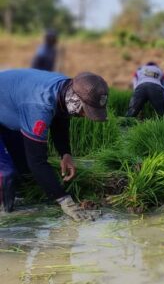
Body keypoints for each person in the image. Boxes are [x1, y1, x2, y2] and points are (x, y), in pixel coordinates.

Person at [0, 69, 109, 221]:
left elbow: (60, 120)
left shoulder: (65, 89)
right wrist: (65, 201)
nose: (84, 116)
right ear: (74, 99)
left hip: (7, 107)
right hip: (13, 106)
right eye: (86, 111)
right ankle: (7, 223)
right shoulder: (39, 107)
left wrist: (65, 154)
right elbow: (37, 161)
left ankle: (16, 203)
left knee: (23, 168)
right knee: (6, 174)